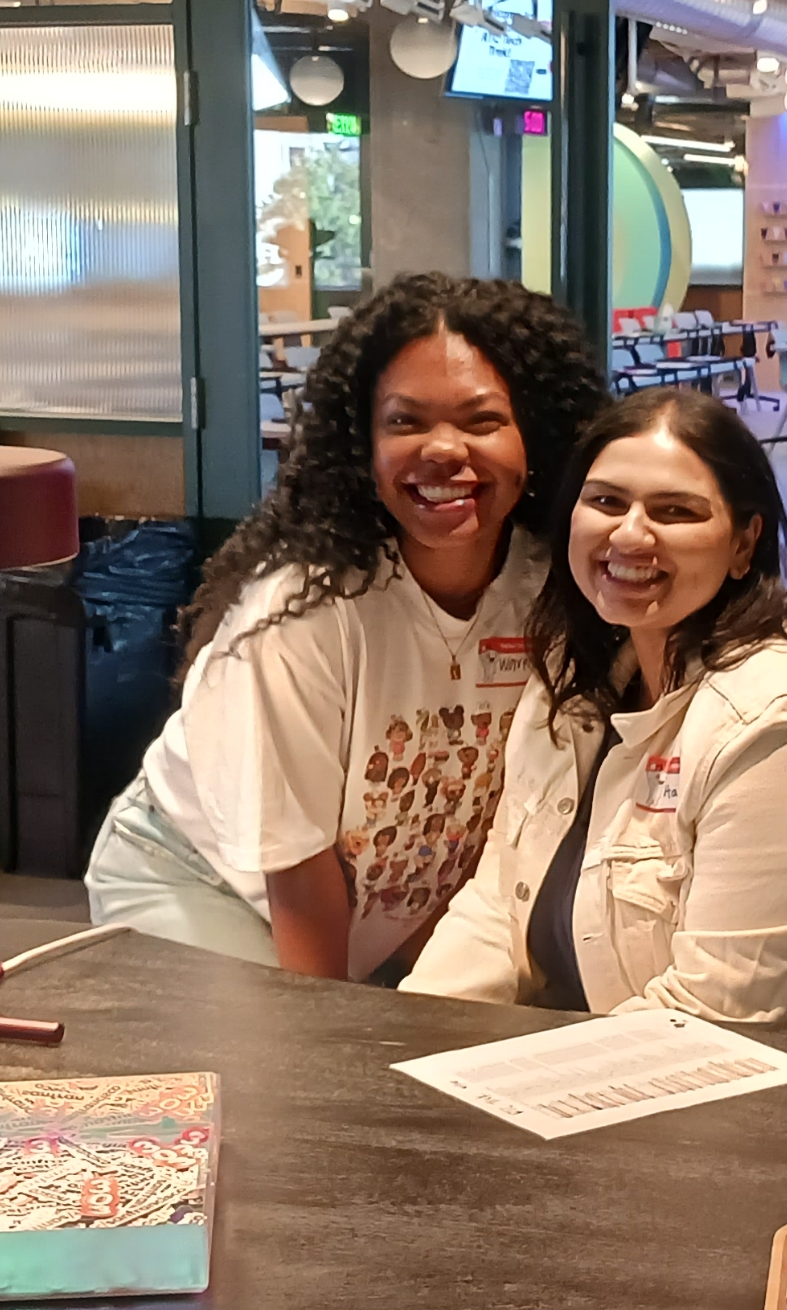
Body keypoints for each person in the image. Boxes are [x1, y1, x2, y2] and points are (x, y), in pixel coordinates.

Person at [401, 387, 787, 1021]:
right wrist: (399, 1041)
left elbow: (711, 1016)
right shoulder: (572, 674)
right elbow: (499, 904)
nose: (630, 533)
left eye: (675, 511)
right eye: (606, 501)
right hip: (627, 1057)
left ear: (743, 544)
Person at [86, 274, 611, 982]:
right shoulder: (301, 614)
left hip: (380, 904)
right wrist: (332, 1031)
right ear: (364, 444)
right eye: (405, 422)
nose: (443, 449)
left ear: (535, 436)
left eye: (482, 421)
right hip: (198, 878)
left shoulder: (554, 587)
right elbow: (300, 878)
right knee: (277, 1051)